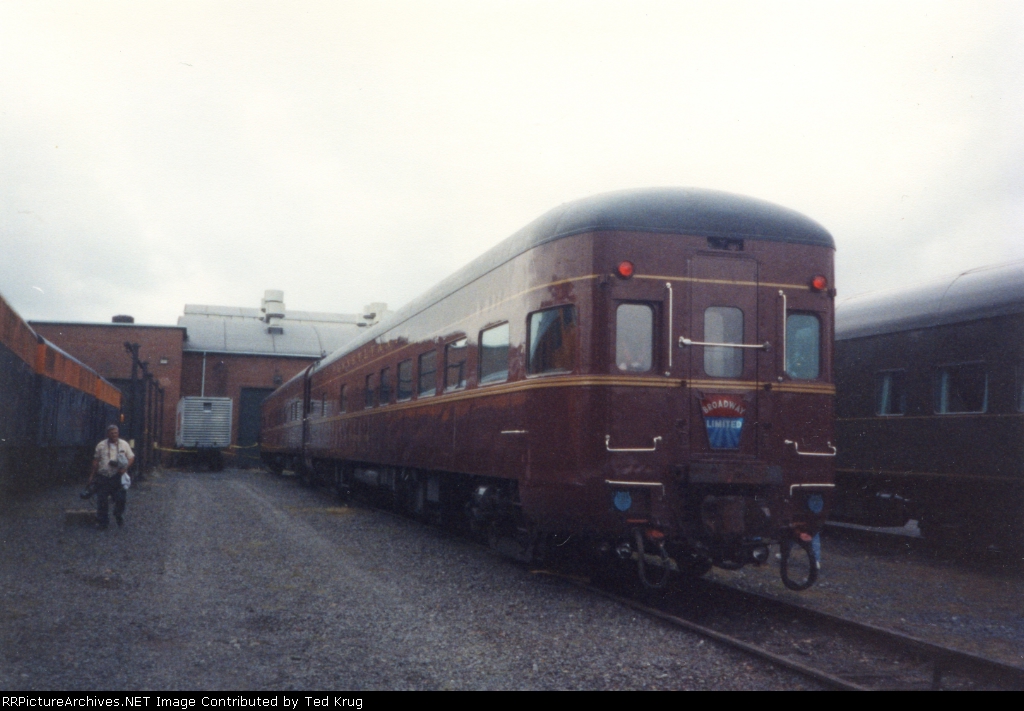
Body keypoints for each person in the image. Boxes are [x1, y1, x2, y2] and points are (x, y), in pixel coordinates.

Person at [89, 425, 135, 529]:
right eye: (112, 433)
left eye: (116, 433)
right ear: (107, 434)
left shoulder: (124, 444)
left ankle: (118, 514)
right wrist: (92, 476)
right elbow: (96, 461)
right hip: (103, 476)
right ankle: (103, 523)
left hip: (117, 476)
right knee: (102, 500)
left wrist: (125, 468)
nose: (114, 435)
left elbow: (131, 457)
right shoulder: (101, 445)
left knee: (120, 499)